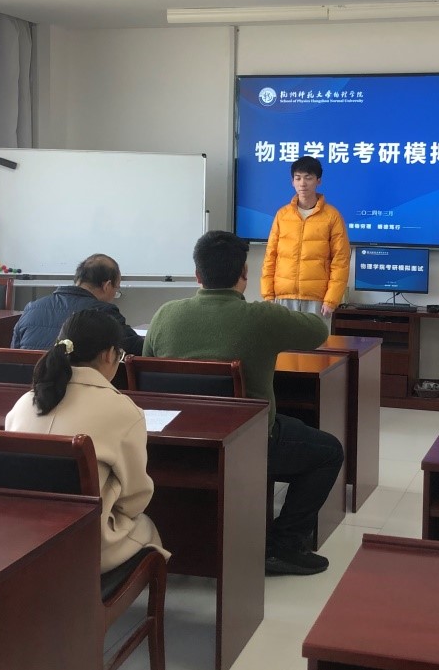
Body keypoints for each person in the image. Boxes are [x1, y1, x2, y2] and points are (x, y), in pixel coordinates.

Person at [146, 231, 342, 575]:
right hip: (246, 444)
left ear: (197, 274)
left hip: (175, 444)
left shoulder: (165, 315)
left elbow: (148, 369)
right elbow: (318, 331)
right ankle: (283, 546)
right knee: (328, 451)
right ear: (245, 274)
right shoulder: (261, 317)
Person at [5, 309, 166, 572]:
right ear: (109, 354)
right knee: (147, 527)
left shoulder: (25, 402)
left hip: (21, 539)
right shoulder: (123, 410)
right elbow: (135, 498)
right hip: (84, 545)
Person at [261, 156, 351, 318]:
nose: (302, 183)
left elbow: (341, 260)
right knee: (284, 336)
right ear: (292, 182)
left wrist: (332, 299)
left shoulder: (332, 216)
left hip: (318, 299)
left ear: (318, 181)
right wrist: (268, 295)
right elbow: (270, 257)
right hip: (283, 296)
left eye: (308, 178)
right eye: (298, 178)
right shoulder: (282, 215)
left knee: (316, 336)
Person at [11, 253, 143, 355]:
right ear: (107, 286)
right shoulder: (105, 312)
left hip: (29, 382)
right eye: (116, 288)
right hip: (76, 382)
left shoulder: (32, 308)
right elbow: (139, 350)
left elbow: (13, 354)